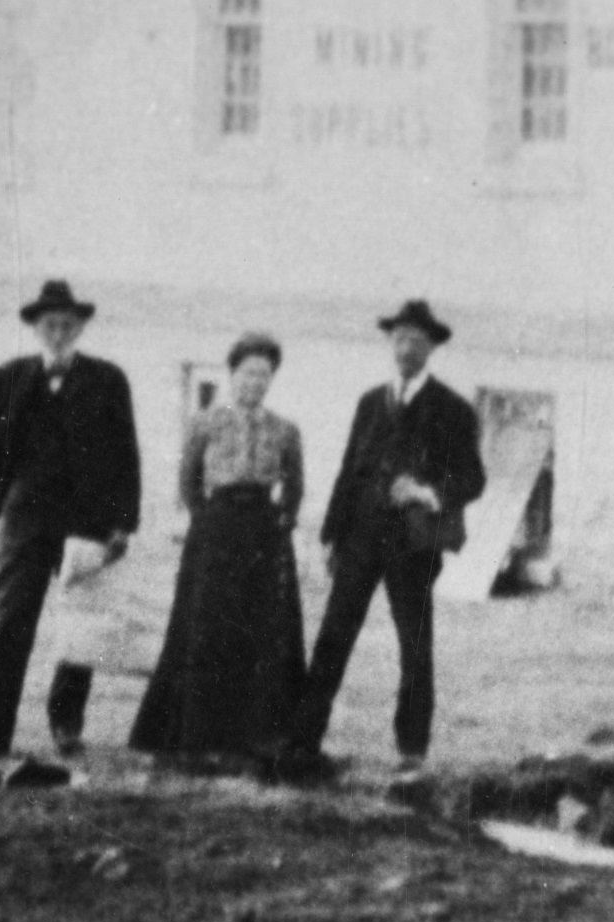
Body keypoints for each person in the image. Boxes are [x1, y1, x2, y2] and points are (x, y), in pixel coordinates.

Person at [296, 298, 489, 778]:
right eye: (400, 339)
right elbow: (349, 470)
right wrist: (330, 535)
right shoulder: (369, 402)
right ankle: (302, 742)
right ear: (390, 343)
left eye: (418, 341)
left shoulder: (453, 409)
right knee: (333, 637)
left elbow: (474, 479)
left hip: (413, 545)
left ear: (432, 348)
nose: (407, 348)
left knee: (415, 645)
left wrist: (429, 491)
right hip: (359, 538)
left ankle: (412, 751)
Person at [0, 278, 143, 773]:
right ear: (36, 329)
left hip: (85, 522)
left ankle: (66, 726)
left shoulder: (108, 380)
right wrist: (1, 495)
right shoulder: (11, 378)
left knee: (79, 627)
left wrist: (122, 524)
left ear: (80, 327)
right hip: (26, 521)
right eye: (50, 324)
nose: (59, 332)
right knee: (10, 624)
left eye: (68, 324)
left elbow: (126, 455)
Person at [126, 334, 309, 769]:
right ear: (232, 375)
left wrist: (282, 521)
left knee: (259, 628)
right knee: (206, 627)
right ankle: (197, 735)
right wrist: (205, 521)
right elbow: (188, 482)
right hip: (216, 529)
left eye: (264, 375)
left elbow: (295, 486)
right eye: (248, 373)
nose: (255, 383)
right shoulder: (206, 422)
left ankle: (256, 735)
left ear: (271, 380)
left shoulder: (285, 429)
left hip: (263, 531)